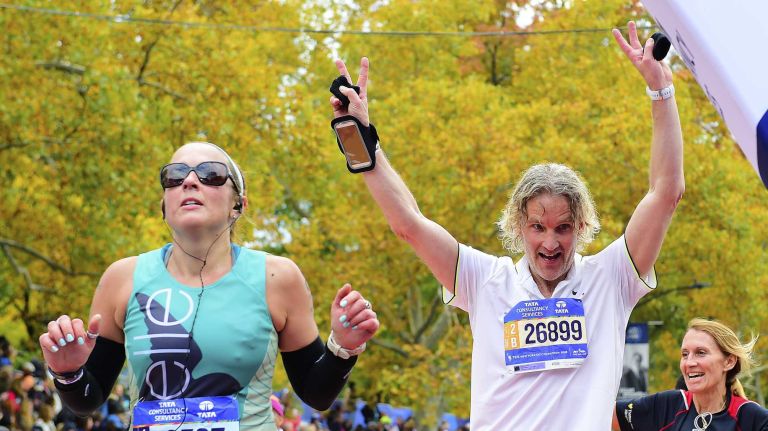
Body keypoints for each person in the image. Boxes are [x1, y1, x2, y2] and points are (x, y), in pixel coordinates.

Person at [328, 21, 684, 429]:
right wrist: (362, 139)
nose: (550, 242)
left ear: (582, 226)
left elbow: (666, 192)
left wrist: (661, 90)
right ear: (519, 226)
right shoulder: (486, 280)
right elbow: (408, 223)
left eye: (563, 228)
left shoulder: (612, 277)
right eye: (538, 227)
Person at [37, 142, 379, 429]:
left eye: (210, 174)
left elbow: (316, 394)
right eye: (174, 176)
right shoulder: (122, 278)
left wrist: (343, 348)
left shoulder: (276, 277)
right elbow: (87, 400)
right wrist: (67, 372)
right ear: (164, 206)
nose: (189, 182)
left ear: (238, 205)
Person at [614, 318, 768, 430]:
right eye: (685, 354)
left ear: (729, 362)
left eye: (701, 353)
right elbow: (600, 414)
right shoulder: (668, 405)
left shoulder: (752, 418)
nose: (689, 362)